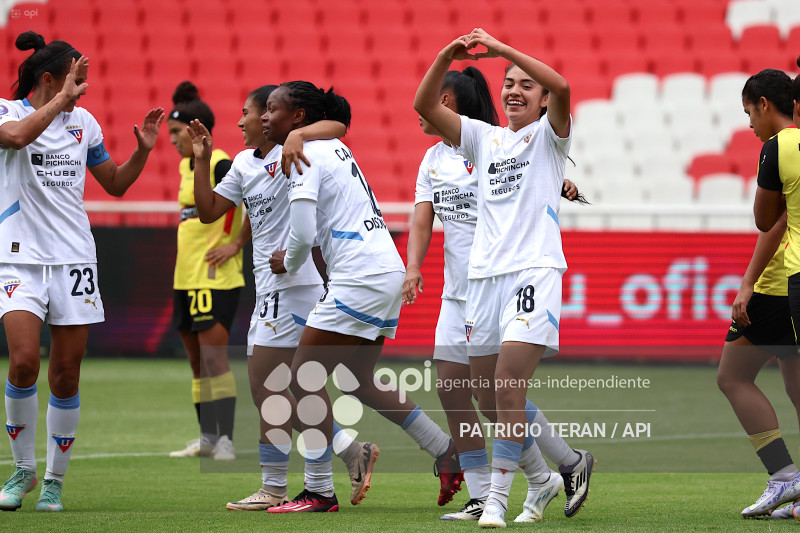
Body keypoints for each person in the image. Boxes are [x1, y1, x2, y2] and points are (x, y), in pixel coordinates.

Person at [414, 28, 594, 528]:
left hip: (533, 272)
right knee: (487, 394)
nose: (514, 90)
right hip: (483, 281)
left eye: (524, 86)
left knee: (508, 388)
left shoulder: (549, 138)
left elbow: (562, 87)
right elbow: (424, 103)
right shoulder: (482, 137)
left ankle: (494, 500)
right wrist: (445, 53)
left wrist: (502, 50)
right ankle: (546, 478)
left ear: (539, 101)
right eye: (508, 84)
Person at [262, 81, 460, 513]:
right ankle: (445, 449)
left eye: (271, 108)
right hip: (382, 268)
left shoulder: (303, 152)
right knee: (357, 380)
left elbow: (302, 234)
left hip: (360, 276)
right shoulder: (327, 142)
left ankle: (318, 489)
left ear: (297, 118)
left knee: (300, 380)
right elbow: (339, 126)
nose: (262, 116)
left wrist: (288, 261)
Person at [187, 84, 380, 510]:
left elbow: (339, 125)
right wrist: (202, 161)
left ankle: (301, 484)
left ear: (272, 118)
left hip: (297, 284)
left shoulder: (291, 150)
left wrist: (299, 135)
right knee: (266, 389)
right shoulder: (241, 163)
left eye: (249, 113)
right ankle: (341, 454)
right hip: (267, 286)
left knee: (290, 384)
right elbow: (208, 211)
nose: (241, 121)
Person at [0, 31, 164, 512]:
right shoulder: (6, 113)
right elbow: (18, 138)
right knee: (24, 361)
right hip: (18, 259)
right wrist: (60, 103)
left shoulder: (84, 123)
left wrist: (143, 152)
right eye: (77, 81)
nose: (83, 91)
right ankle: (22, 471)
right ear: (49, 79)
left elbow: (113, 183)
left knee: (66, 374)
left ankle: (53, 480)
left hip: (74, 259)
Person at [166, 81, 244, 461]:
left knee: (215, 359)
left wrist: (236, 244)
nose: (172, 140)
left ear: (197, 131)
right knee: (197, 362)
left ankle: (227, 439)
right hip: (186, 275)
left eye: (177, 132)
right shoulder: (188, 167)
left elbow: (254, 200)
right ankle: (208, 437)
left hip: (215, 277)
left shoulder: (221, 162)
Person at [747, 66, 800, 519]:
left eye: (749, 111)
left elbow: (770, 220)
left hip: (784, 277)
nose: (748, 122)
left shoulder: (779, 146)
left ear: (766, 104)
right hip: (787, 278)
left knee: (732, 374)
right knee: (794, 382)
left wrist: (748, 282)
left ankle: (784, 476)